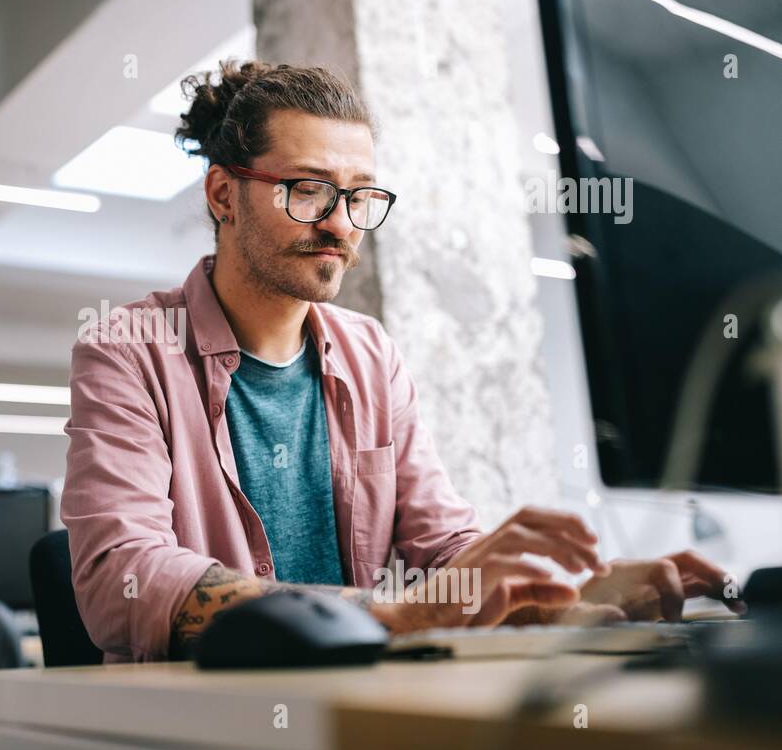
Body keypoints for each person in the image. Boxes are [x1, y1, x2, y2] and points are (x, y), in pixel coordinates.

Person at [61, 60, 742, 662]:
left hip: (363, 707)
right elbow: (123, 576)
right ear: (221, 195)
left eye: (359, 196)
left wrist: (556, 595)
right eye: (308, 190)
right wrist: (394, 616)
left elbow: (442, 546)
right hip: (205, 727)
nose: (340, 223)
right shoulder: (131, 349)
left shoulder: (369, 353)